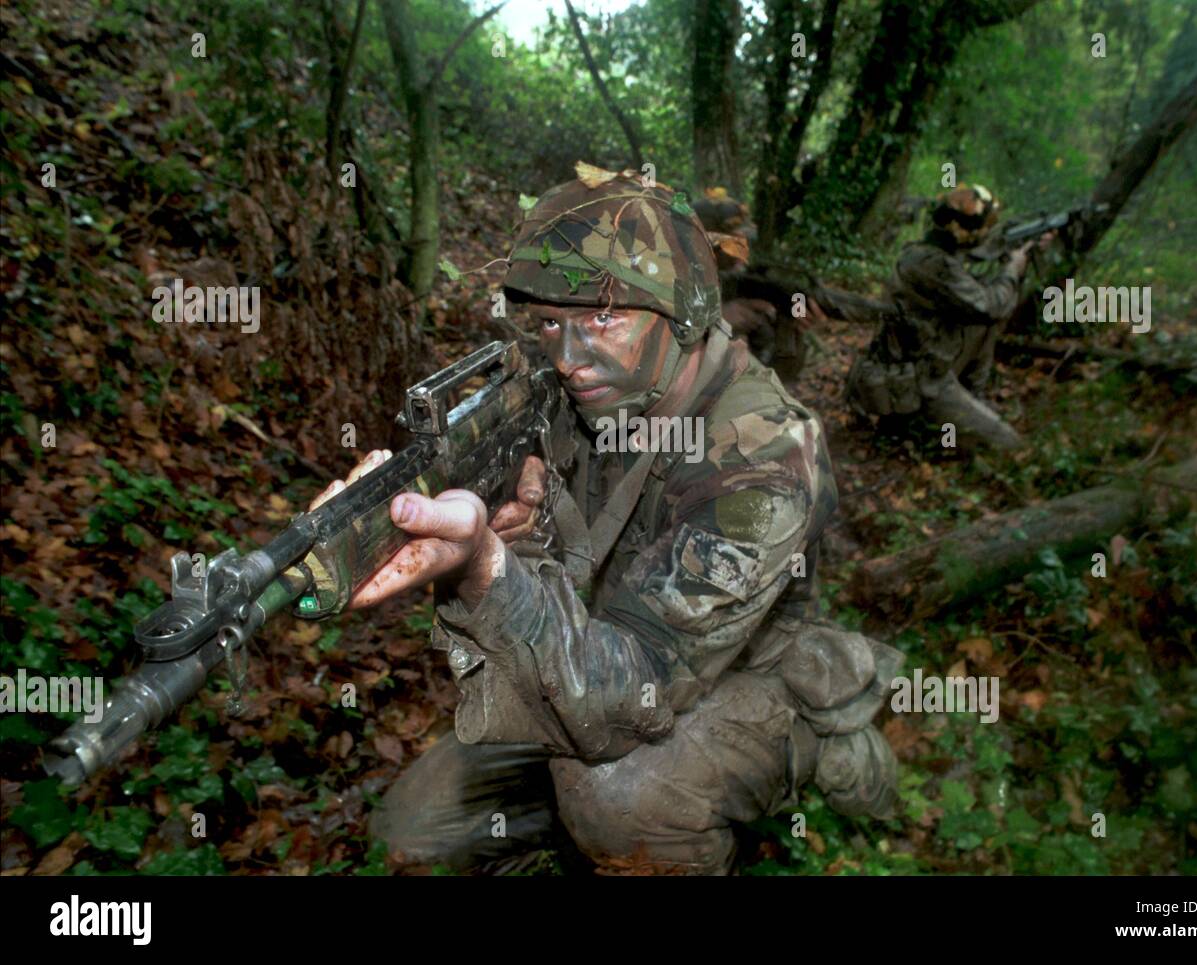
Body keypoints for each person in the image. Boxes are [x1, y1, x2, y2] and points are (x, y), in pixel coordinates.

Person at [310, 167, 901, 874]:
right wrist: (477, 521)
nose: (566, 355)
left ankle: (802, 758)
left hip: (730, 675)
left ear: (681, 312)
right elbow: (575, 559)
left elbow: (638, 684)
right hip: (599, 649)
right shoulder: (585, 388)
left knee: (618, 797)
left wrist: (485, 569)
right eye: (551, 322)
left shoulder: (765, 456)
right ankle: (574, 836)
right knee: (414, 823)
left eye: (602, 317)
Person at [847, 183, 1049, 450]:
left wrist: (1016, 246)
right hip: (918, 383)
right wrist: (1013, 268)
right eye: (981, 225)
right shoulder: (934, 264)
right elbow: (990, 305)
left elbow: (980, 254)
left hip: (925, 366)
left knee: (981, 327)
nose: (986, 231)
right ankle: (910, 428)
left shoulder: (931, 251)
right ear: (959, 228)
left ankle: (968, 401)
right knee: (1011, 444)